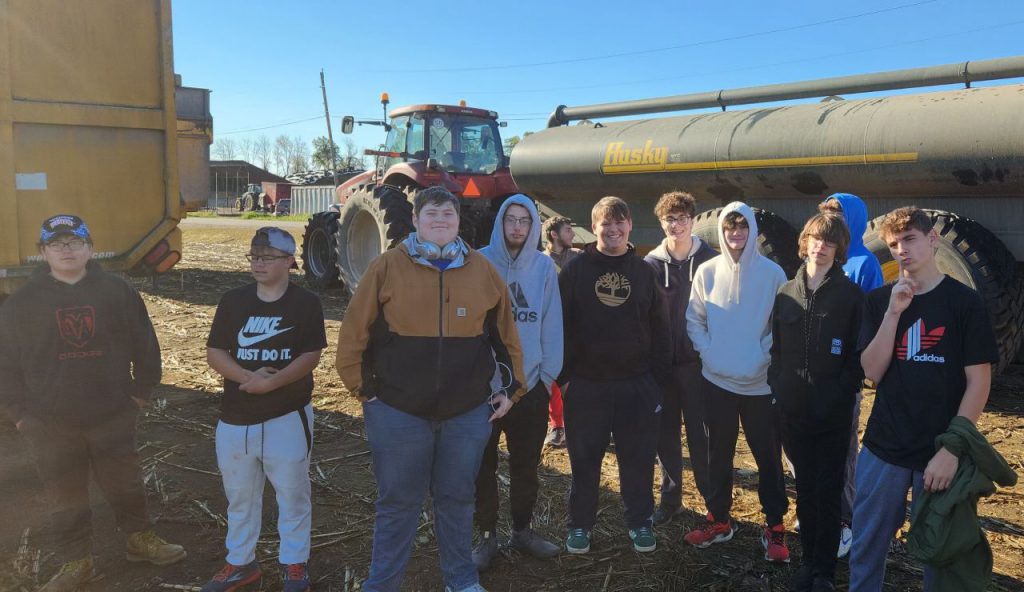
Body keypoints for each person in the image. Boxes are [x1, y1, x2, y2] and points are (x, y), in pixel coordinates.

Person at [335, 186, 525, 592]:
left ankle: (461, 580)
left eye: (448, 214)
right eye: (432, 213)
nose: (441, 220)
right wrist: (361, 387)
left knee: (457, 501)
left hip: (466, 412)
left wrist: (511, 388)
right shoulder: (387, 267)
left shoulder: (483, 270)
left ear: (459, 222)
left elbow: (506, 336)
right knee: (398, 503)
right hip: (397, 410)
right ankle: (382, 584)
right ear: (416, 221)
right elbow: (354, 331)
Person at [0, 215, 185, 592]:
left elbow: (145, 345)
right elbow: (6, 362)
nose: (67, 250)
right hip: (49, 421)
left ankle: (139, 539)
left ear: (89, 247)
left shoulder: (118, 291)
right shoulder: (22, 303)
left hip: (112, 414)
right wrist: (19, 414)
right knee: (63, 492)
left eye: (75, 242)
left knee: (126, 483)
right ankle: (76, 561)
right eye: (57, 244)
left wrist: (139, 393)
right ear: (43, 252)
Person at [851, 206, 998, 592]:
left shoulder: (964, 303)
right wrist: (893, 314)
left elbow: (978, 383)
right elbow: (871, 372)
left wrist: (952, 449)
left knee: (940, 551)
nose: (903, 250)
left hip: (940, 451)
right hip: (884, 446)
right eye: (895, 244)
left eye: (910, 240)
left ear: (932, 239)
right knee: (867, 546)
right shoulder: (879, 301)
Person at [203, 227, 326, 592]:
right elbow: (215, 351)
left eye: (268, 257)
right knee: (239, 495)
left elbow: (310, 355)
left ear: (290, 262)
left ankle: (294, 564)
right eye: (254, 256)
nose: (258, 263)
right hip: (236, 415)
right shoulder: (233, 301)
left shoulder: (305, 304)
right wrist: (246, 377)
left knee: (292, 492)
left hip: (286, 414)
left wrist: (274, 382)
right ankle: (240, 563)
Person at [558, 196, 671, 555]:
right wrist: (565, 378)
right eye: (606, 223)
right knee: (584, 460)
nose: (614, 229)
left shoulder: (643, 272)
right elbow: (559, 326)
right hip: (586, 385)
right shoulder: (574, 271)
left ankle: (640, 522)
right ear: (593, 228)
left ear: (630, 227)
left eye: (620, 222)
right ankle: (580, 525)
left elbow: (662, 330)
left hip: (636, 385)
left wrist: (656, 383)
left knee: (637, 460)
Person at [684, 202, 790, 563]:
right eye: (730, 228)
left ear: (753, 230)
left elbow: (779, 326)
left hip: (760, 386)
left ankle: (775, 526)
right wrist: (708, 352)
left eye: (742, 227)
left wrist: (762, 358)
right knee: (719, 455)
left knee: (768, 459)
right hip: (717, 382)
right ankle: (718, 520)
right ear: (722, 231)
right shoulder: (707, 272)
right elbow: (694, 319)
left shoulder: (773, 274)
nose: (736, 234)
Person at [770, 214, 864, 592]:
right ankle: (808, 563)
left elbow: (857, 356)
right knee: (805, 490)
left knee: (829, 493)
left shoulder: (850, 296)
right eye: (815, 239)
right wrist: (778, 386)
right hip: (793, 412)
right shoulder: (786, 293)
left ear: (838, 249)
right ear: (804, 242)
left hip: (833, 414)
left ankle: (825, 571)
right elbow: (777, 349)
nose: (820, 246)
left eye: (829, 242)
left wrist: (839, 395)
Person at [472, 194, 563, 570]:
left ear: (534, 226)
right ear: (500, 223)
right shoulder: (478, 262)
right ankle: (487, 536)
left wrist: (546, 379)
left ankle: (522, 531)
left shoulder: (543, 268)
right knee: (482, 464)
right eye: (510, 219)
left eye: (524, 221)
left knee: (526, 465)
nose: (516, 227)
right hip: (483, 390)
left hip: (529, 389)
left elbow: (551, 325)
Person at [642, 191, 717, 525]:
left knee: (703, 435)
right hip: (662, 366)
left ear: (692, 219)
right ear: (661, 222)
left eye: (682, 217)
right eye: (670, 219)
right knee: (664, 434)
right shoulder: (651, 265)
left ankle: (713, 500)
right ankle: (670, 500)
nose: (677, 225)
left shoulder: (711, 260)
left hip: (698, 364)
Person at [819, 192, 885, 558]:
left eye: (840, 214)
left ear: (855, 220)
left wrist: (855, 367)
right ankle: (821, 510)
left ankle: (847, 521)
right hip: (813, 375)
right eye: (828, 213)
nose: (833, 220)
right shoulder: (822, 257)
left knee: (843, 450)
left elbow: (871, 320)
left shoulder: (864, 262)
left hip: (844, 376)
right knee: (812, 447)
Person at [541, 215, 581, 448]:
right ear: (554, 234)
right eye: (568, 230)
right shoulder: (541, 262)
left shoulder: (578, 258)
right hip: (551, 328)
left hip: (577, 327)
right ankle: (558, 426)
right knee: (554, 377)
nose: (572, 234)